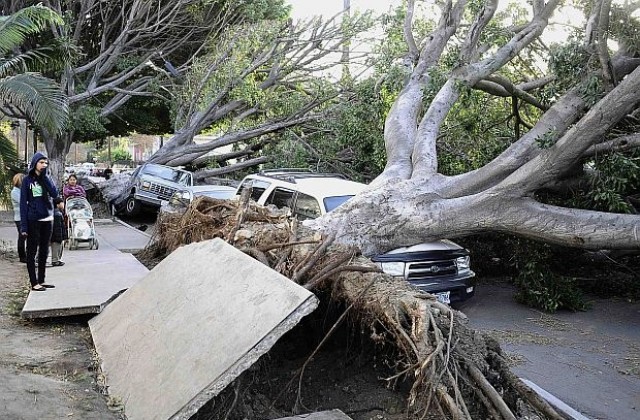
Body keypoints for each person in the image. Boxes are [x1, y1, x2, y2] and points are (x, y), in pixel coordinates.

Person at [20, 152, 64, 291]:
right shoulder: (27, 181)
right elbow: (22, 204)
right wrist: (24, 226)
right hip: (33, 219)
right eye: (41, 162)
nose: (44, 165)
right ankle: (34, 283)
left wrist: (59, 200)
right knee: (32, 252)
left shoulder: (46, 179)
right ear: (35, 164)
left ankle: (41, 280)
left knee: (44, 251)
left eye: (46, 163)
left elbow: (54, 193)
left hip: (47, 218)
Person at [10, 173, 26, 263]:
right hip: (19, 218)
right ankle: (22, 256)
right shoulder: (14, 192)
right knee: (22, 236)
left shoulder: (23, 190)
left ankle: (28, 254)